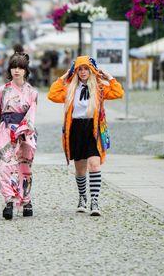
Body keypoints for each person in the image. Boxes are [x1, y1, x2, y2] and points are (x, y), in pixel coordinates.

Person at [47, 55, 124, 216]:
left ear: (91, 71)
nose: (83, 72)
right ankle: (82, 197)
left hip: (93, 129)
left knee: (94, 165)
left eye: (86, 69)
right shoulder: (70, 89)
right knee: (80, 169)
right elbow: (52, 94)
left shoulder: (99, 88)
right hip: (76, 130)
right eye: (79, 69)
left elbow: (118, 92)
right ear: (75, 72)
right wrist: (64, 76)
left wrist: (109, 77)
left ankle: (94, 201)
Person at [0, 52, 38, 220]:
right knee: (4, 164)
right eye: (13, 67)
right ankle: (9, 200)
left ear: (26, 70)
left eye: (20, 67)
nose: (16, 70)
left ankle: (26, 200)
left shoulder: (32, 92)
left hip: (25, 133)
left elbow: (31, 115)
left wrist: (24, 129)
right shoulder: (3, 90)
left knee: (24, 167)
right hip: (5, 131)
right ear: (9, 70)